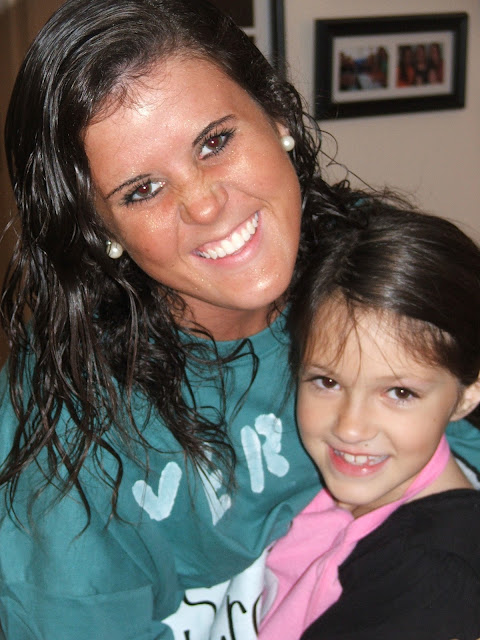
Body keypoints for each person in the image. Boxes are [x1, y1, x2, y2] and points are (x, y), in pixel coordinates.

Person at [0, 1, 478, 638]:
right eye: (142, 190)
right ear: (100, 230)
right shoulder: (65, 425)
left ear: (276, 116)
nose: (203, 204)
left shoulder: (364, 274)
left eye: (215, 142)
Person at [259, 204, 480, 640]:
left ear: (467, 394)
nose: (351, 428)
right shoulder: (309, 489)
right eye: (326, 381)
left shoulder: (433, 581)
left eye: (399, 393)